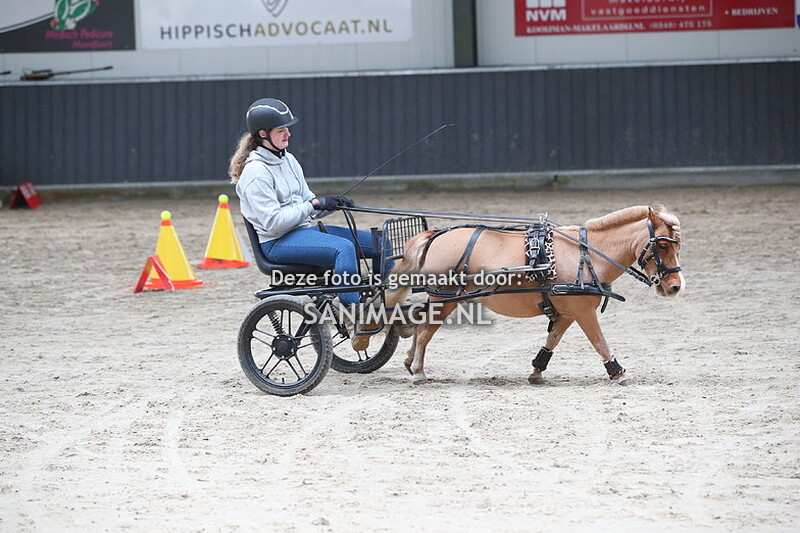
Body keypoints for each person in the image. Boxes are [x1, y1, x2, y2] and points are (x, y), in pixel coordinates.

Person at [229, 97, 384, 307]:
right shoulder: (256, 173)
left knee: (381, 244)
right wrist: (313, 204)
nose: (288, 133)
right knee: (343, 248)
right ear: (263, 134)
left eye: (287, 128)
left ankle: (387, 302)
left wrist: (329, 204)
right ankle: (353, 313)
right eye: (281, 130)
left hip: (304, 233)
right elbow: (273, 222)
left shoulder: (288, 160)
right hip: (277, 243)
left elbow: (308, 205)